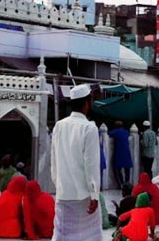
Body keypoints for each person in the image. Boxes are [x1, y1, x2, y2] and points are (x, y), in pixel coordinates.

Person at [50, 83, 102, 240]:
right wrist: (94, 195)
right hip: (83, 196)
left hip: (63, 193)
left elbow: (54, 161)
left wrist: (58, 185)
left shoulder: (59, 126)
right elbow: (91, 165)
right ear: (87, 103)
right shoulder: (89, 128)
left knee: (62, 234)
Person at [109, 121, 133, 188]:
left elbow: (110, 133)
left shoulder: (116, 132)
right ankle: (127, 183)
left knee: (118, 169)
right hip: (127, 152)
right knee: (127, 169)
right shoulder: (126, 132)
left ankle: (121, 184)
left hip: (119, 152)